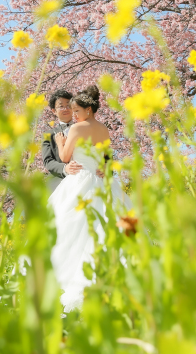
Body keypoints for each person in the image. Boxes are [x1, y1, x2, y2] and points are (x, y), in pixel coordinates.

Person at [48, 85, 132, 312]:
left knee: (71, 228)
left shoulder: (75, 129)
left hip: (81, 180)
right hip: (102, 181)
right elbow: (106, 157)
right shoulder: (104, 129)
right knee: (106, 224)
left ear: (88, 109)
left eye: (76, 111)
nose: (73, 115)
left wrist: (59, 142)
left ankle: (67, 280)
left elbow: (65, 158)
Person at [41, 89, 83, 192]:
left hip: (86, 178)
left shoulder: (84, 128)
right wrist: (65, 168)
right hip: (60, 183)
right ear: (54, 111)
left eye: (68, 105)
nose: (66, 109)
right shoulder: (48, 135)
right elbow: (48, 161)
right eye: (61, 106)